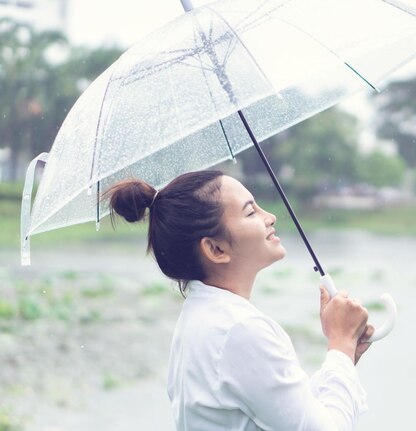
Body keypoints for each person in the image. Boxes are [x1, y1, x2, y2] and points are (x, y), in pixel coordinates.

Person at [106, 169, 374, 431]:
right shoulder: (238, 329)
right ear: (215, 249)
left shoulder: (205, 316)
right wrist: (340, 345)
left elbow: (286, 410)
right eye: (250, 211)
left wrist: (343, 353)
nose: (270, 217)